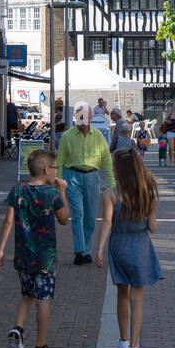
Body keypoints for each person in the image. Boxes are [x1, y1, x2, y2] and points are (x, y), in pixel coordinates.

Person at [0, 149, 70, 348]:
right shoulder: (51, 194)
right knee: (43, 300)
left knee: (27, 294)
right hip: (45, 258)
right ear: (47, 170)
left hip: (22, 255)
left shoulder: (17, 191)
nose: (56, 172)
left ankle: (17, 329)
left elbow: (8, 221)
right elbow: (64, 219)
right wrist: (62, 190)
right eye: (55, 169)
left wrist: (0, 250)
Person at [96, 148, 163, 348]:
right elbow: (152, 227)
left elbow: (107, 223)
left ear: (118, 170)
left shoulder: (110, 195)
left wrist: (99, 248)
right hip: (140, 245)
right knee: (138, 297)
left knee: (122, 293)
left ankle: (122, 342)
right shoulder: (147, 192)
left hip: (118, 244)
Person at [56, 101, 116, 265]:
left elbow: (106, 161)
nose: (83, 120)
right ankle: (79, 251)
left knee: (90, 216)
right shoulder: (67, 136)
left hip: (92, 176)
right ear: (76, 117)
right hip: (72, 176)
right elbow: (60, 161)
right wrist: (59, 183)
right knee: (78, 213)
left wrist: (111, 184)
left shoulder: (98, 136)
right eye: (80, 117)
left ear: (91, 117)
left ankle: (87, 251)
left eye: (86, 116)